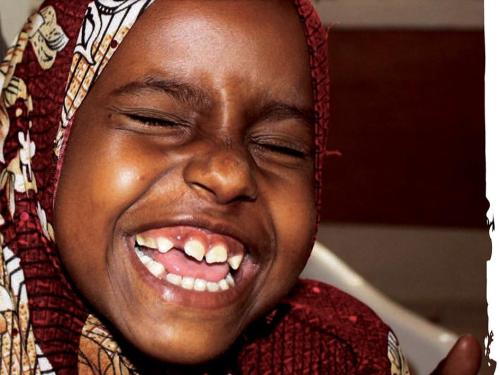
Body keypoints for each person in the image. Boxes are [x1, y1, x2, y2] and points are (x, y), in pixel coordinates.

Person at [0, 0, 481, 373]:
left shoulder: (338, 358)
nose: (230, 174)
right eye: (155, 118)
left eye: (281, 146)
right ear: (40, 143)